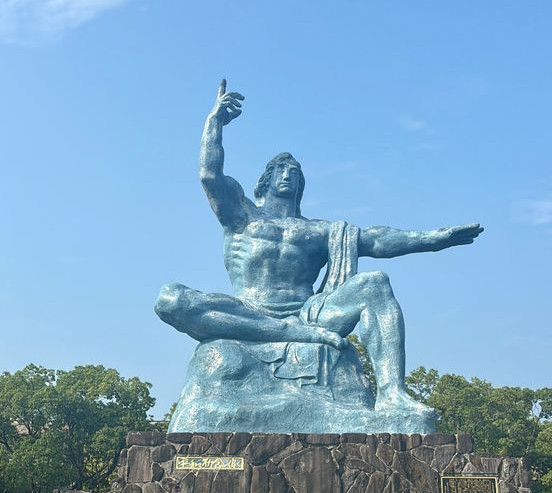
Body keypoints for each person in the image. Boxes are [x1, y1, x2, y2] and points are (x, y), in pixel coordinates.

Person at [155, 80, 483, 411]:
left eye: (294, 172)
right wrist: (214, 123)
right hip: (248, 311)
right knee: (170, 299)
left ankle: (392, 393)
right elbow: (210, 175)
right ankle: (284, 332)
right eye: (280, 170)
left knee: (375, 283)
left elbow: (378, 238)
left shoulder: (319, 231)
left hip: (307, 313)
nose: (288, 175)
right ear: (265, 180)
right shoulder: (241, 214)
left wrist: (432, 239)